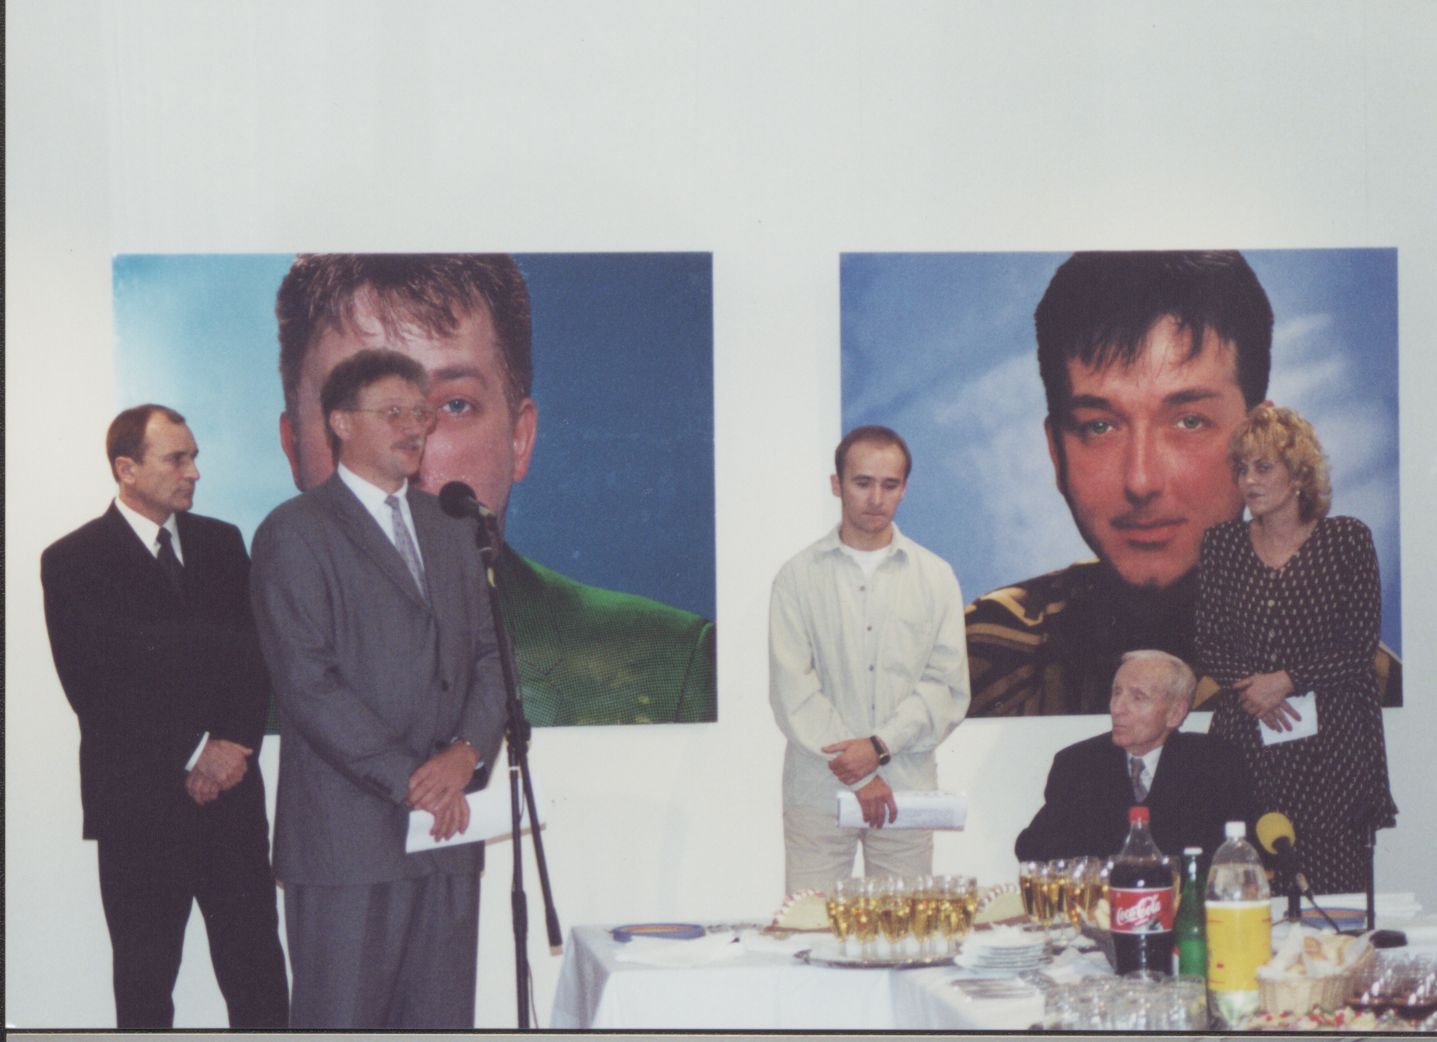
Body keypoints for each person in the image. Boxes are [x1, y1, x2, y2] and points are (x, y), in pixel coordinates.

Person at [274, 253, 714, 727]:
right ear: (293, 446)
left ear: (519, 440)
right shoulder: (226, 680)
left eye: (454, 406)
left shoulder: (673, 669)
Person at [964, 250, 1401, 715]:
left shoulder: (1358, 681)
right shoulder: (985, 657)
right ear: (1056, 453)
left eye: (1190, 421)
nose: (1141, 481)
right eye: (1099, 426)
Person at [249, 350, 508, 1028]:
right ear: (340, 422)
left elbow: (492, 658)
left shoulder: (453, 525)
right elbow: (308, 682)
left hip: (446, 838)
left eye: (421, 413)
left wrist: (464, 757)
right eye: (393, 412)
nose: (414, 427)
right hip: (348, 843)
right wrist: (415, 782)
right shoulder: (294, 531)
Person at [40, 404, 288, 1029]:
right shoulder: (72, 560)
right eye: (176, 459)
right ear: (126, 469)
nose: (194, 472)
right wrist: (196, 751)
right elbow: (93, 688)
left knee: (258, 980)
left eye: (194, 456)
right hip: (139, 809)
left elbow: (254, 657)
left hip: (232, 799)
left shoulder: (222, 543)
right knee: (146, 991)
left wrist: (230, 745)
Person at [1196, 404, 1397, 894]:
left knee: (1336, 900)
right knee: (1248, 890)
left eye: (1263, 467)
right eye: (1242, 468)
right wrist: (1255, 692)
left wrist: (1285, 681)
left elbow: (1358, 647)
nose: (1248, 481)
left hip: (1333, 750)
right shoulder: (1222, 544)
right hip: (1248, 737)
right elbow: (1208, 641)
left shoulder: (1346, 539)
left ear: (1301, 475)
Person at [769, 426, 971, 892]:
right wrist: (859, 773)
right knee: (812, 926)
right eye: (862, 483)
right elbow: (793, 689)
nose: (876, 499)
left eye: (889, 485)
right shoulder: (797, 578)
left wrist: (879, 748)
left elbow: (946, 687)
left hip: (905, 792)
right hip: (818, 794)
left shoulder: (936, 577)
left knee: (905, 930)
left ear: (904, 489)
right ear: (836, 485)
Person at [1015, 649, 1254, 862]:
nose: (1117, 708)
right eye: (1116, 693)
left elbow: (1240, 851)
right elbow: (1032, 848)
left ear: (1175, 713)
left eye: (1138, 697)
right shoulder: (1079, 763)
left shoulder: (1214, 763)